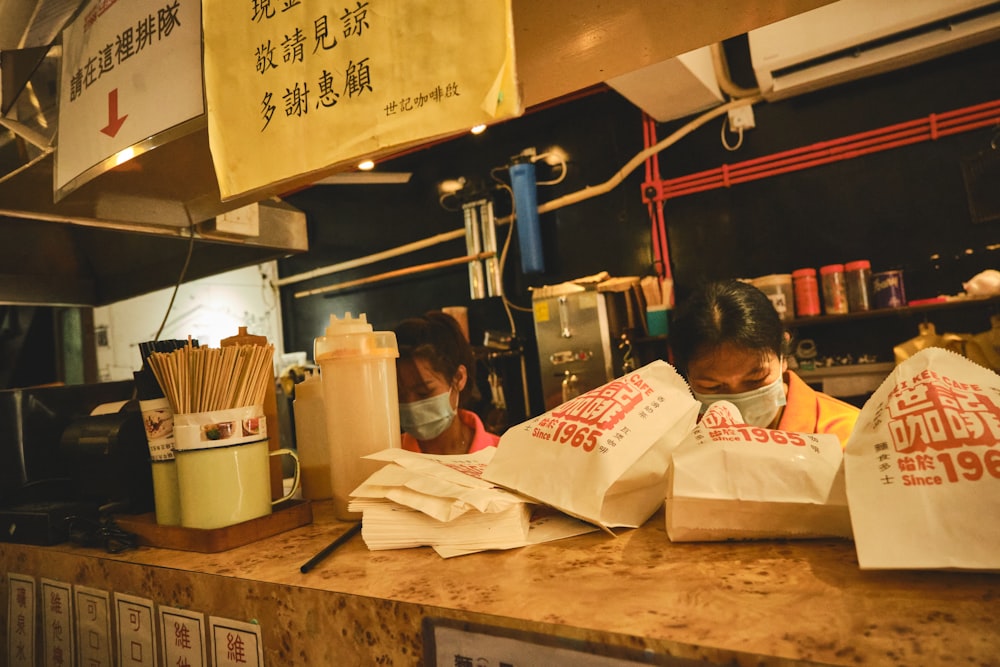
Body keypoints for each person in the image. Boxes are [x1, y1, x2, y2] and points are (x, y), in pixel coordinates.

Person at [670, 279, 860, 446]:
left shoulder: (848, 437)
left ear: (782, 353)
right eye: (712, 386)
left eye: (756, 379)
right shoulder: (680, 439)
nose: (737, 402)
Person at [394, 311, 500, 455]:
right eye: (399, 395)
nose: (411, 406)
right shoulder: (390, 457)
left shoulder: (502, 455)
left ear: (458, 378)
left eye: (424, 392)